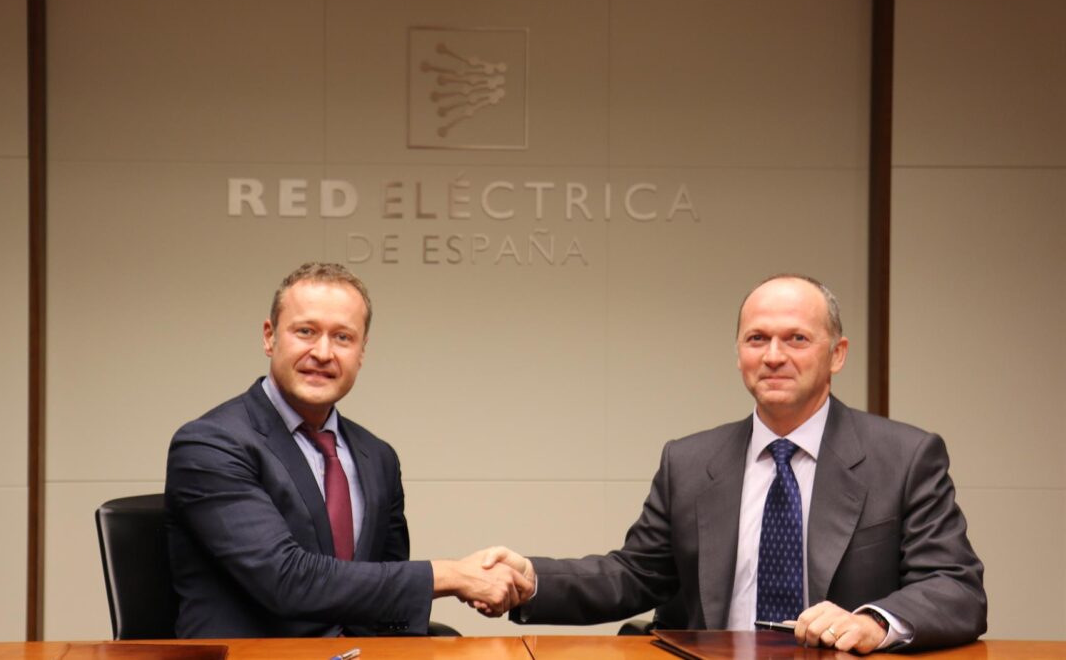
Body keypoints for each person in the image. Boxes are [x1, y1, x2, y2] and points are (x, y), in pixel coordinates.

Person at [477, 274, 986, 653]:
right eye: (757, 338)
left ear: (837, 354)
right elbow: (634, 576)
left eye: (797, 339)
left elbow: (956, 588)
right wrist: (532, 579)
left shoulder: (904, 457)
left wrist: (873, 622)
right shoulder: (690, 461)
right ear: (739, 352)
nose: (774, 356)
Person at [166, 262, 530, 638]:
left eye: (343, 337)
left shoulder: (378, 457)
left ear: (361, 352)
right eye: (306, 332)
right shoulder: (210, 444)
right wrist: (453, 576)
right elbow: (285, 579)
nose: (323, 352)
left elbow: (382, 590)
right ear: (269, 337)